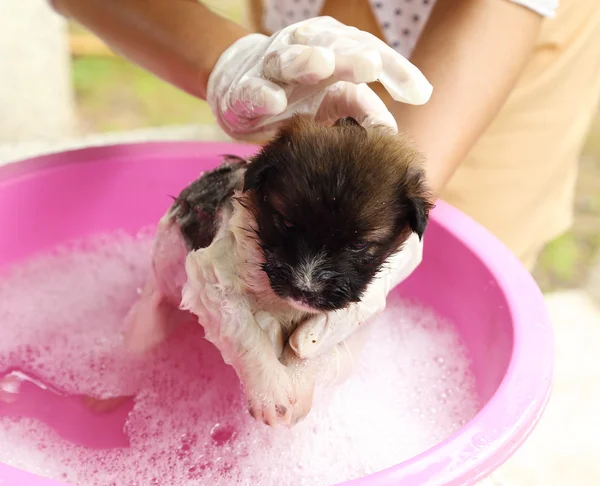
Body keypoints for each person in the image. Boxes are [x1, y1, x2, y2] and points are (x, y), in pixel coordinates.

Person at [47, 0, 600, 384]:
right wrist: (226, 63)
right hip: (309, 32)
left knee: (466, 277)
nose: (306, 279)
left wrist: (396, 185)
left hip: (487, 49)